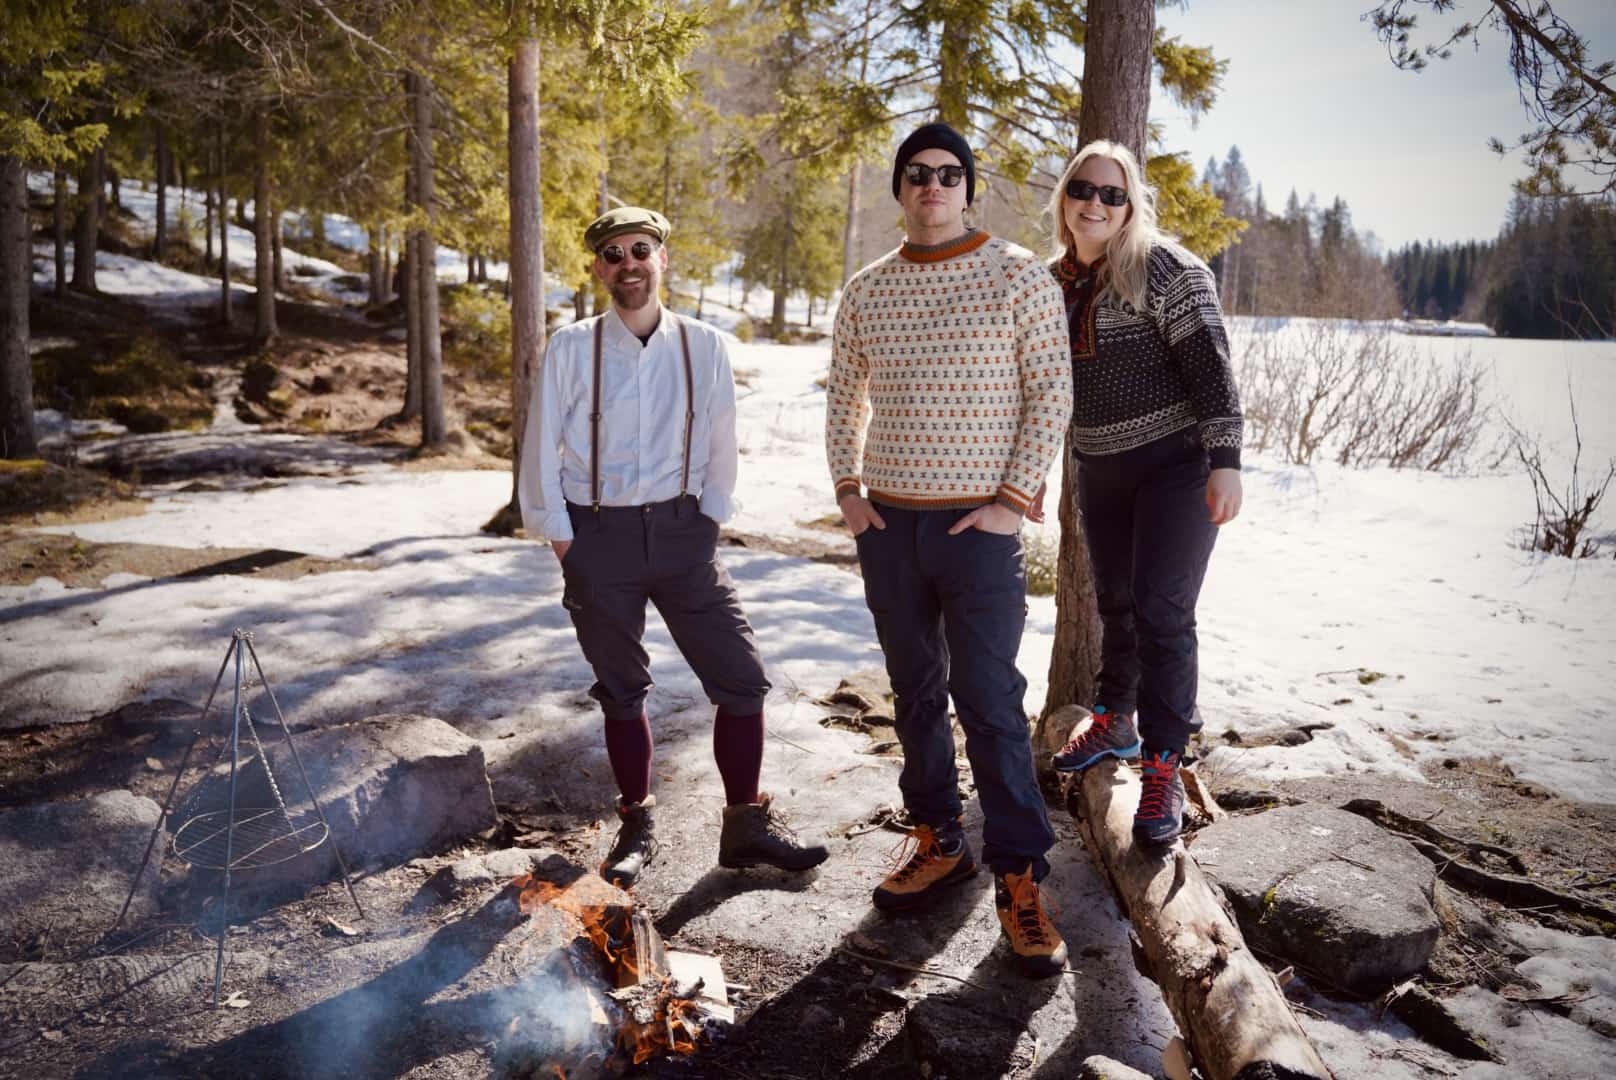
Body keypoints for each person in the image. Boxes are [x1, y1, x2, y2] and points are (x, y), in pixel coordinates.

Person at [827, 122, 1074, 978]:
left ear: (969, 188)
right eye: (916, 174)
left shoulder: (1016, 274)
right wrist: (849, 492)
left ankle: (1019, 874)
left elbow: (1052, 391)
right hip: (890, 526)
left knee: (991, 700)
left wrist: (1012, 501)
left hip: (979, 529)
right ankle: (938, 838)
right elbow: (842, 397)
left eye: (949, 173)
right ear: (900, 190)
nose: (932, 185)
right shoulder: (867, 288)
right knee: (914, 691)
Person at [520, 206, 827, 889]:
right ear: (598, 268)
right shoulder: (572, 347)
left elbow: (721, 440)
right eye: (613, 254)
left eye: (640, 250)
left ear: (663, 259)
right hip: (597, 534)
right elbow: (542, 445)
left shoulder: (705, 345)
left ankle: (744, 826)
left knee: (742, 679)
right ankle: (636, 823)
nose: (627, 263)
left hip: (685, 533)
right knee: (623, 691)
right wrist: (565, 539)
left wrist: (709, 519)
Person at [1042, 140, 1244, 848]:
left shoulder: (1168, 272)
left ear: (1131, 206)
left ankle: (1162, 768)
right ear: (1065, 198)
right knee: (1116, 601)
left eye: (1111, 194)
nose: (1094, 203)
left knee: (1163, 609)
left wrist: (1227, 461)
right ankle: (1114, 719)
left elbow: (1213, 372)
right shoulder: (1052, 283)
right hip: (1100, 468)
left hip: (1177, 467)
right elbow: (1037, 391)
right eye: (1082, 190)